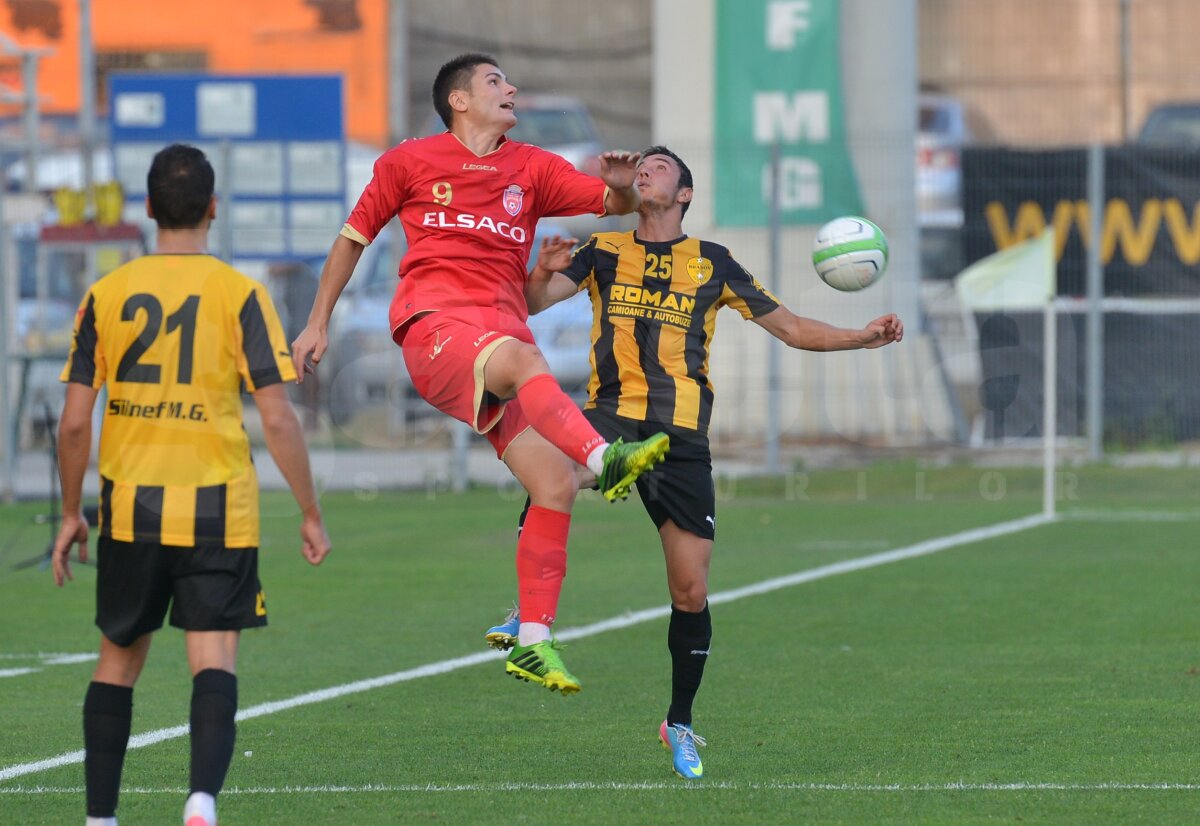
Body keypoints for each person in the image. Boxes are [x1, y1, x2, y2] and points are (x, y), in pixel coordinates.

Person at [486, 146, 904, 780]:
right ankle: (529, 612)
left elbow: (789, 327)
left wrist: (862, 336)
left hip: (681, 437)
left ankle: (678, 721)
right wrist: (538, 275)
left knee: (691, 590)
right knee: (557, 469)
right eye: (643, 165)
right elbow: (532, 306)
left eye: (660, 166)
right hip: (610, 415)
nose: (646, 169)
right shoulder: (603, 249)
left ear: (684, 193)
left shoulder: (714, 262)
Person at [291, 53, 669, 695]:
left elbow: (613, 203)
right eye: (496, 81)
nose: (511, 87)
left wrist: (626, 186)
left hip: (499, 336)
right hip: (434, 327)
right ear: (458, 100)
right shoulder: (408, 161)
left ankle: (532, 642)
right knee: (528, 366)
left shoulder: (533, 167)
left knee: (551, 484)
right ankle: (605, 458)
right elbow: (352, 239)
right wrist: (317, 320)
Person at [51, 143, 332, 826]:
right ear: (213, 208)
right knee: (213, 659)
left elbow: (74, 424)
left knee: (117, 661)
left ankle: (99, 817)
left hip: (130, 506)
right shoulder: (241, 294)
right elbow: (277, 417)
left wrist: (69, 512)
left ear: (147, 210)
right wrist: (309, 510)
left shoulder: (105, 295)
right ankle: (201, 801)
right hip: (218, 509)